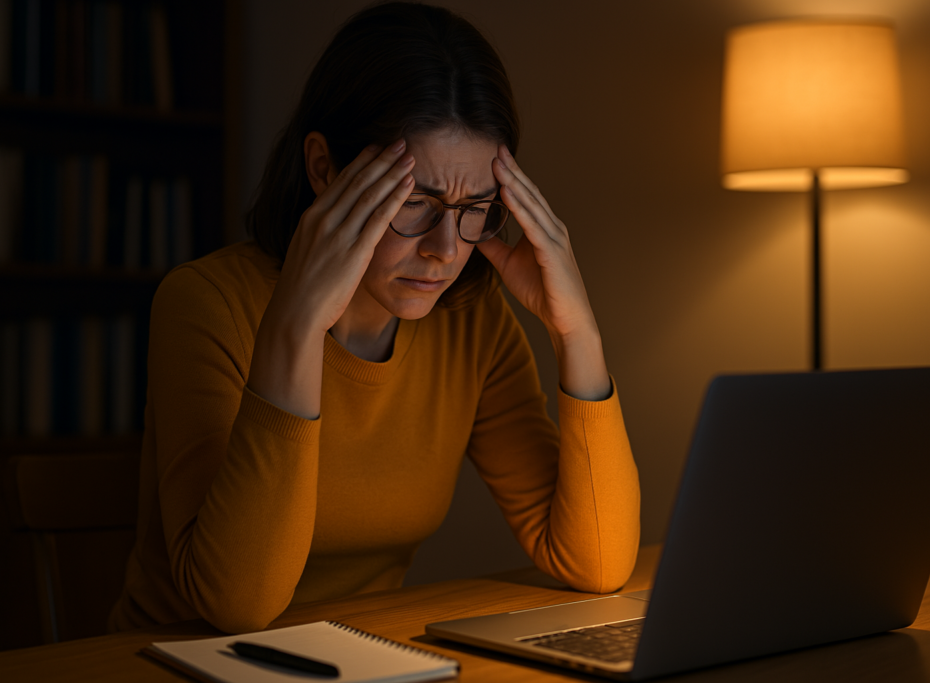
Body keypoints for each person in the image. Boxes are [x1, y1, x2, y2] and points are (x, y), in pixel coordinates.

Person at [109, 2, 639, 634]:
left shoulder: (471, 322)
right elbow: (235, 605)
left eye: (477, 206)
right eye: (416, 201)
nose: (446, 250)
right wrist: (297, 325)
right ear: (324, 169)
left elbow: (598, 564)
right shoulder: (206, 302)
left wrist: (577, 332)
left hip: (362, 658)